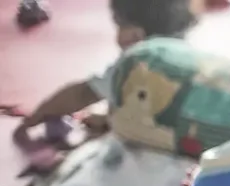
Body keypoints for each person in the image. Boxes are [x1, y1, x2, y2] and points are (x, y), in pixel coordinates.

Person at [17, 0, 198, 135]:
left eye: (118, 26)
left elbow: (83, 94)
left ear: (135, 36)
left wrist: (40, 113)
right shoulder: (190, 56)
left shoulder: (136, 66)